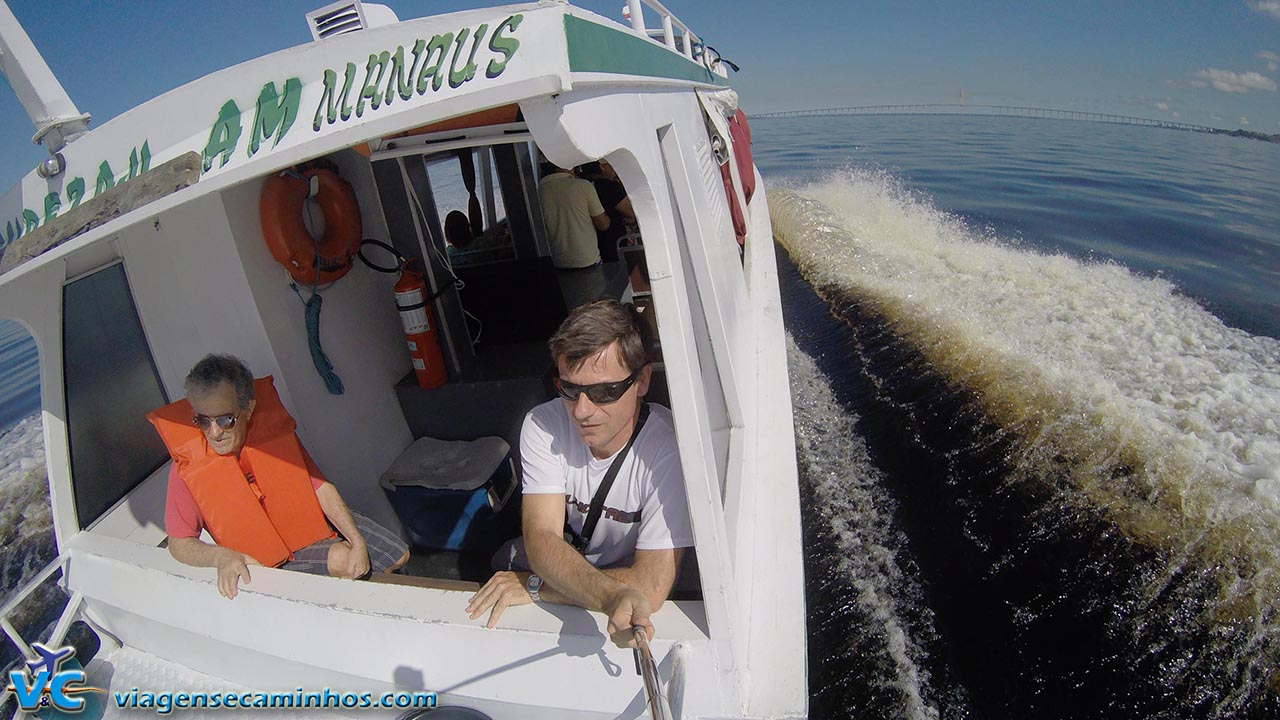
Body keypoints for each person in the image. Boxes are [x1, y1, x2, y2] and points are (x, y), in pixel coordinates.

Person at [467, 300, 693, 648]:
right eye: (570, 390)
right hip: (601, 579)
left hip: (608, 582)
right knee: (498, 563)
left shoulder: (670, 451)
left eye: (604, 392)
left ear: (643, 380)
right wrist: (606, 593)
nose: (583, 411)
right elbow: (541, 539)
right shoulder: (544, 423)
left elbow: (649, 587)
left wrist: (537, 585)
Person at [147, 354, 409, 600]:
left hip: (311, 525)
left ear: (248, 409)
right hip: (271, 561)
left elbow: (320, 488)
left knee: (399, 556)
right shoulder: (187, 469)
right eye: (203, 421)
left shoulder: (274, 437)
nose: (214, 432)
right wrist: (221, 557)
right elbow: (179, 543)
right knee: (343, 560)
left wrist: (357, 539)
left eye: (225, 419)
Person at [538, 162, 610, 270]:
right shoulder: (583, 186)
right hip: (587, 261)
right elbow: (603, 224)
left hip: (557, 263)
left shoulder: (538, 192)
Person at [579, 160, 636, 263]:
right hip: (614, 242)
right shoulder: (610, 187)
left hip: (594, 243)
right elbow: (631, 210)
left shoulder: (584, 186)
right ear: (602, 167)